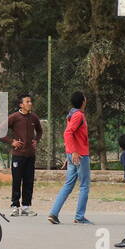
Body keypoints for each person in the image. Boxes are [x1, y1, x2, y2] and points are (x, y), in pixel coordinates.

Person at [47, 91, 92, 225]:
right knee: (84, 185)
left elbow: (72, 135)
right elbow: (68, 133)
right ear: (83, 101)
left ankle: (54, 213)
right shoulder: (78, 115)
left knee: (68, 184)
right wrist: (73, 152)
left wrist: (69, 153)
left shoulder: (72, 114)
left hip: (74, 154)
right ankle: (79, 216)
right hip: (80, 155)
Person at [0, 93, 43, 216]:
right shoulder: (14, 117)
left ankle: (26, 207)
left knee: (29, 181)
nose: (30, 103)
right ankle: (15, 206)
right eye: (27, 102)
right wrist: (11, 141)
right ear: (21, 104)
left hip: (30, 155)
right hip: (18, 155)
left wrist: (36, 140)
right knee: (17, 181)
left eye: (30, 101)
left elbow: (40, 131)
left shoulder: (34, 117)